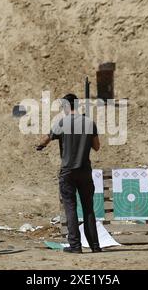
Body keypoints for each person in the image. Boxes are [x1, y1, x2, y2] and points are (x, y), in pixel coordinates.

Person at [37, 94, 101, 254]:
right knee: (88, 209)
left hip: (68, 172)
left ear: (65, 106)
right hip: (85, 171)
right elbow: (97, 146)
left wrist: (40, 144)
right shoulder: (89, 123)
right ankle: (95, 246)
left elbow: (45, 140)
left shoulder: (62, 123)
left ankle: (75, 246)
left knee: (70, 209)